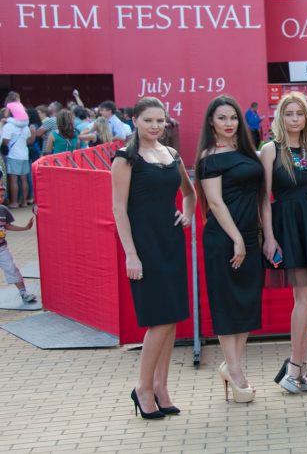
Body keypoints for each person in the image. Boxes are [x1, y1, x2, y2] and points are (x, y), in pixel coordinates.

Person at [111, 97, 196, 419]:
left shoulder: (171, 154)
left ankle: (161, 387)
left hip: (171, 242)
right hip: (145, 246)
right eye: (148, 120)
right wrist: (131, 254)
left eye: (160, 120)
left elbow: (190, 193)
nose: (155, 126)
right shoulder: (125, 158)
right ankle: (143, 388)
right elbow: (119, 209)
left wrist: (187, 215)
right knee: (159, 320)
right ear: (135, 121)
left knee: (171, 318)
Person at [260, 92, 307, 394]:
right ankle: (294, 367)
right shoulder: (270, 150)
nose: (294, 119)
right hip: (286, 226)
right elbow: (263, 198)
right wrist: (269, 237)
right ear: (280, 117)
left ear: (306, 117)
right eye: (289, 113)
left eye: (299, 114)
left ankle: (299, 367)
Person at [195, 95, 264, 404]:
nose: (228, 123)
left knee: (246, 303)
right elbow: (214, 202)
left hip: (250, 236)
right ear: (211, 122)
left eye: (233, 117)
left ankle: (231, 366)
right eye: (222, 118)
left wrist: (257, 235)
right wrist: (236, 238)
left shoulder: (246, 151)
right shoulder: (209, 157)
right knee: (227, 303)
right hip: (224, 238)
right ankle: (235, 372)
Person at [0, 185, 37, 303]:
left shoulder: (3, 210)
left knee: (12, 268)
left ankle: (24, 293)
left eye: (2, 196)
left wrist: (25, 228)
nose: (1, 198)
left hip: (2, 248)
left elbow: (8, 226)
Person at [2, 103, 35, 208]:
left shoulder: (8, 126)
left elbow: (5, 141)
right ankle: (24, 202)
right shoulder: (25, 126)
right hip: (24, 154)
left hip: (13, 155)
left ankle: (14, 202)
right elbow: (29, 141)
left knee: (13, 179)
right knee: (24, 179)